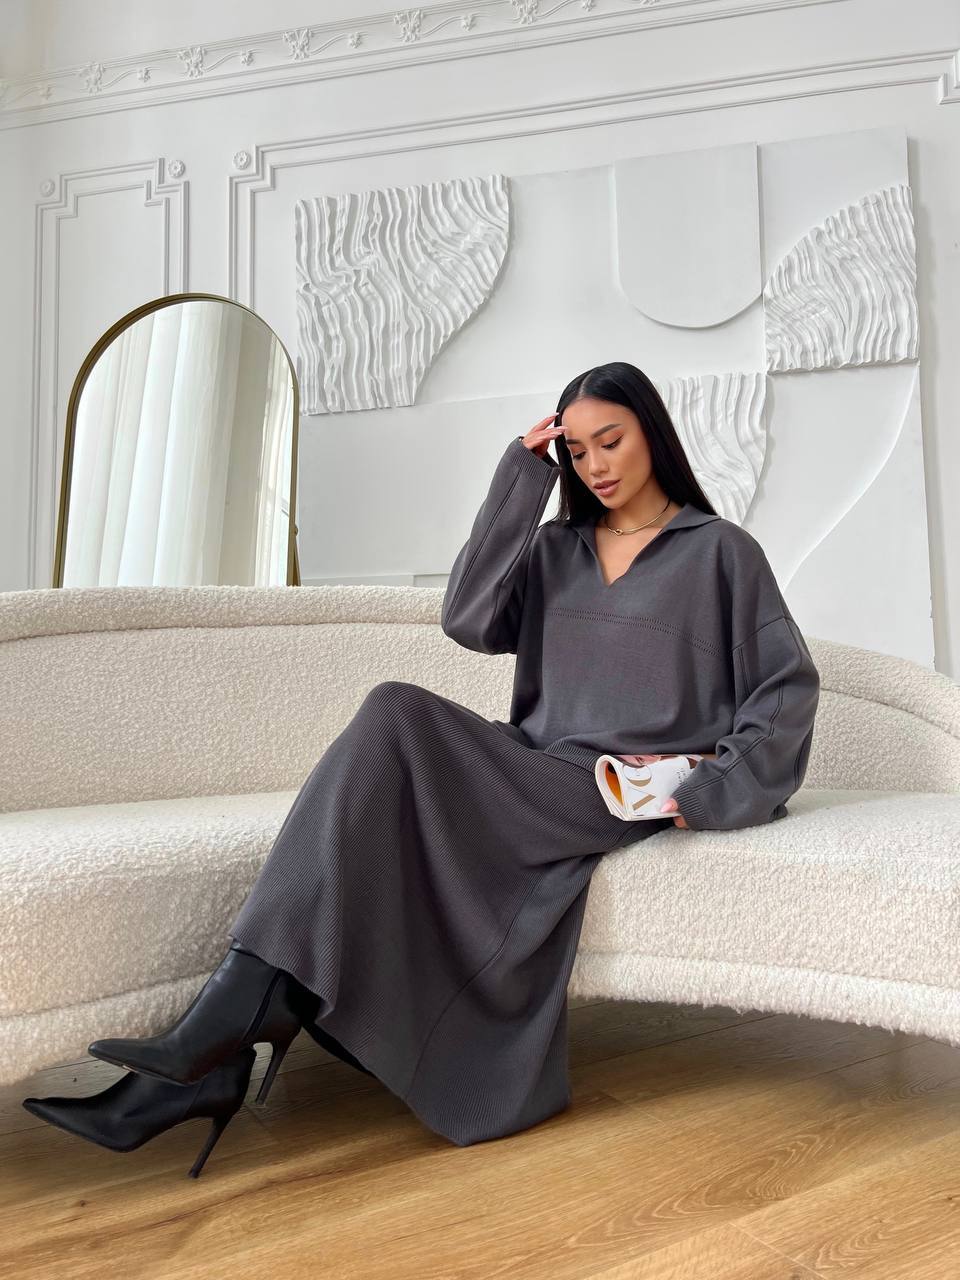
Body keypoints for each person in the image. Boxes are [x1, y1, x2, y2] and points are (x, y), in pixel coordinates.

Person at [22, 361, 820, 1178]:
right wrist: (521, 478)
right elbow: (468, 618)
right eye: (576, 452)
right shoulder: (556, 549)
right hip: (531, 767)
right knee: (388, 736)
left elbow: (785, 692)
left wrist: (706, 788)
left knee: (395, 712)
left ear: (652, 430)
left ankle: (217, 1038)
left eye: (610, 441)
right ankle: (211, 1057)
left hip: (614, 789)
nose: (597, 466)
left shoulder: (721, 553)